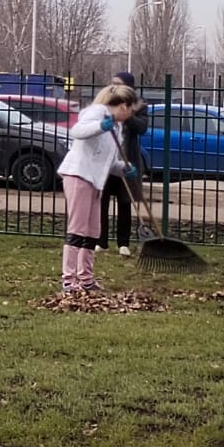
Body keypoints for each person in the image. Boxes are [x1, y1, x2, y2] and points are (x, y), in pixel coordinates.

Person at [56, 83, 140, 293]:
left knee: (93, 231)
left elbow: (108, 162)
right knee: (77, 229)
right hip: (79, 175)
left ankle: (86, 278)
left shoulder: (118, 129)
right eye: (131, 110)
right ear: (123, 106)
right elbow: (78, 131)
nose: (131, 115)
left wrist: (123, 169)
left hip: (95, 181)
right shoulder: (96, 113)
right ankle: (69, 280)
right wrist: (101, 126)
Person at [97, 71, 149, 257]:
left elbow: (142, 128)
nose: (114, 87)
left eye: (118, 84)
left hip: (126, 160)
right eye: (113, 83)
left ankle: (123, 243)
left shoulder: (139, 106)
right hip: (107, 161)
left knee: (125, 202)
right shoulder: (105, 104)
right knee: (101, 202)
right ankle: (101, 241)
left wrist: (127, 115)